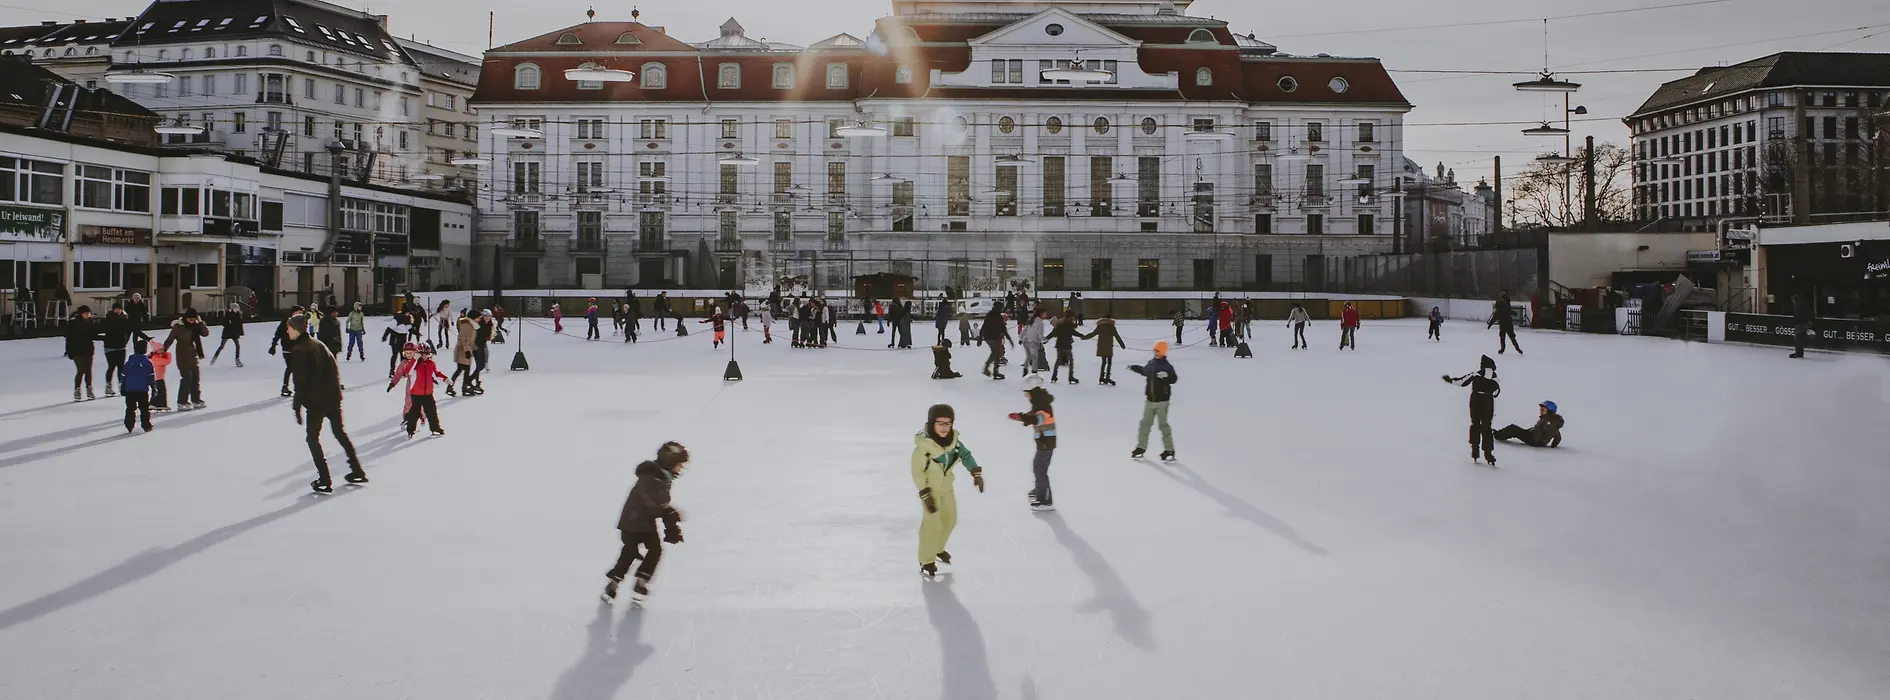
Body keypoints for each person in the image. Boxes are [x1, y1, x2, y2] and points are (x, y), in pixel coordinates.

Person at [285, 314, 364, 493]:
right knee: (340, 433)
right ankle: (357, 469)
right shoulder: (318, 344)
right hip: (332, 397)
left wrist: (297, 406)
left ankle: (325, 478)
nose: (287, 330)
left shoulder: (300, 350)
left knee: (312, 438)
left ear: (297, 329)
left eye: (289, 327)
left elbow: (300, 383)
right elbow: (334, 369)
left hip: (317, 402)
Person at [603, 442, 689, 603]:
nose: (681, 469)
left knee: (649, 550)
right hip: (636, 522)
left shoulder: (659, 477)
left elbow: (659, 506)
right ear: (670, 462)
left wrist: (670, 523)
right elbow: (657, 505)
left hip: (640, 521)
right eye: (679, 465)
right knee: (633, 551)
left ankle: (630, 581)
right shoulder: (654, 479)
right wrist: (671, 522)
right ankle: (618, 583)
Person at [912, 404, 983, 579]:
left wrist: (975, 472)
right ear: (931, 423)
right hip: (930, 491)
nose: (945, 427)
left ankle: (937, 548)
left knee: (950, 519)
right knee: (932, 524)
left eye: (948, 423)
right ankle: (926, 560)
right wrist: (925, 493)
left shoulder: (954, 444)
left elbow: (965, 455)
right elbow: (917, 472)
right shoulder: (924, 448)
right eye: (940, 423)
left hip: (946, 488)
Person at [1009, 375, 1057, 511]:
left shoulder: (1043, 406)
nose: (1026, 396)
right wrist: (1022, 417)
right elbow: (1032, 416)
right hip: (1044, 442)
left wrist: (1022, 417)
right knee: (1038, 467)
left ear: (1033, 392)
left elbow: (1038, 419)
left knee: (1040, 469)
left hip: (1046, 442)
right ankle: (1039, 490)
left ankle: (1045, 500)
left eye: (1026, 393)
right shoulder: (1040, 404)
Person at [1444, 355, 1501, 466]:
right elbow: (1496, 393)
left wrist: (1450, 380)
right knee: (1487, 426)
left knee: (1475, 424)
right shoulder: (1495, 377)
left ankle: (1475, 450)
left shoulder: (1475, 374)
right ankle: (1488, 453)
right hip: (1488, 401)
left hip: (1475, 400)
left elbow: (1462, 382)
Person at [1129, 341, 1178, 462]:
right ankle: (1141, 447)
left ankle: (1169, 449)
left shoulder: (1167, 366)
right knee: (1145, 424)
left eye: (1158, 351)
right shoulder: (1151, 363)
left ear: (1163, 352)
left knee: (1163, 425)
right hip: (1150, 400)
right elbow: (1145, 371)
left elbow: (1174, 379)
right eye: (1155, 351)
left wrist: (1166, 376)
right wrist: (1135, 368)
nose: (1156, 353)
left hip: (1162, 401)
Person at [388, 341, 450, 437]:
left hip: (428, 393)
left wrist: (445, 378)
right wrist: (414, 360)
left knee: (432, 411)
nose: (424, 356)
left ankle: (435, 428)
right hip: (416, 392)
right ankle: (410, 429)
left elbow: (436, 373)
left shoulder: (431, 363)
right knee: (414, 412)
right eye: (422, 354)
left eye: (426, 354)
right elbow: (407, 371)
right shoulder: (415, 364)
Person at [164, 309, 210, 410]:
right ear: (185, 318)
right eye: (190, 319)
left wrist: (200, 322)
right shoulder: (178, 327)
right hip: (182, 354)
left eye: (194, 319)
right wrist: (163, 350)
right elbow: (170, 339)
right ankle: (182, 401)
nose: (191, 321)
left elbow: (205, 333)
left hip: (193, 353)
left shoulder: (196, 325)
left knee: (195, 378)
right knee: (187, 379)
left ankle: (196, 399)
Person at [99, 303, 149, 395]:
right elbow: (99, 329)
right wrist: (103, 338)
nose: (117, 311)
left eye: (119, 309)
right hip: (110, 346)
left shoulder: (125, 319)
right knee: (111, 366)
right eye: (116, 309)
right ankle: (108, 386)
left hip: (121, 345)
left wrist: (147, 338)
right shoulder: (108, 319)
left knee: (121, 366)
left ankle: (122, 385)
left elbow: (135, 329)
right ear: (113, 310)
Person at [65, 305, 102, 401]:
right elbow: (69, 338)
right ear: (81, 314)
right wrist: (69, 351)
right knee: (81, 370)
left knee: (89, 370)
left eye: (89, 313)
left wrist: (104, 338)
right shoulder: (73, 323)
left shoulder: (91, 322)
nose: (88, 315)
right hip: (77, 350)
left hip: (88, 349)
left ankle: (89, 388)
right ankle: (77, 389)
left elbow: (93, 335)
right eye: (86, 313)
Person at [1081, 312, 1127, 385]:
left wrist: (1084, 337)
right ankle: (1107, 378)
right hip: (1108, 346)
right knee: (1109, 362)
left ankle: (1101, 377)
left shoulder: (1100, 326)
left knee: (1104, 362)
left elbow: (1093, 334)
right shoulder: (1111, 327)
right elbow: (1117, 336)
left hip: (1101, 346)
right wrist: (1122, 345)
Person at [1496, 401, 1564, 448]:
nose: (1540, 412)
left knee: (1513, 429)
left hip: (1534, 440)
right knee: (1517, 430)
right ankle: (1499, 434)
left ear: (1549, 411)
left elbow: (1551, 430)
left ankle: (1497, 435)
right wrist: (1554, 444)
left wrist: (1538, 439)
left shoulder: (1548, 421)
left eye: (1543, 410)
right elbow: (1556, 434)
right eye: (1540, 410)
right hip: (1535, 438)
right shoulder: (1552, 421)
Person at [121, 340, 155, 433]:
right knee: (144, 408)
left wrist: (123, 386)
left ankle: (129, 424)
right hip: (142, 390)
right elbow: (150, 376)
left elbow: (124, 375)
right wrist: (153, 387)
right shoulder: (147, 363)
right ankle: (146, 425)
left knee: (130, 407)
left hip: (130, 390)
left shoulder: (129, 363)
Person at [1047, 311, 1081, 384]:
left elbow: (1053, 333)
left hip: (1060, 345)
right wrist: (1083, 336)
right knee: (1071, 361)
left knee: (1058, 360)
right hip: (1067, 346)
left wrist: (1046, 339)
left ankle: (1054, 376)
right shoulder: (1069, 325)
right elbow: (1074, 332)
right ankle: (1070, 376)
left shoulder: (1060, 325)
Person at [981, 303, 1012, 380]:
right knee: (995, 353)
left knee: (996, 353)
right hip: (994, 337)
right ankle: (988, 368)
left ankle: (995, 372)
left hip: (988, 337)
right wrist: (1010, 339)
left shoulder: (989, 315)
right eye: (1001, 308)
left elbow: (984, 326)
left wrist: (980, 337)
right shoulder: (999, 317)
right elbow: (1003, 329)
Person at [452, 311, 477, 396]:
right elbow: (464, 339)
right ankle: (457, 387)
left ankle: (462, 387)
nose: (479, 319)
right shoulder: (467, 325)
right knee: (462, 369)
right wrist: (467, 350)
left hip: (467, 349)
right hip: (463, 350)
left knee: (465, 369)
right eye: (478, 317)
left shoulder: (472, 324)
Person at [1489, 291, 1522, 355]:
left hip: (1502, 326)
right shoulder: (1506, 309)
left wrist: (1490, 325)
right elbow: (1513, 313)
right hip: (1509, 325)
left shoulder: (1498, 311)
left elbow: (1494, 318)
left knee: (1502, 337)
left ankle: (1502, 349)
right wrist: (1515, 313)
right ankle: (1517, 347)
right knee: (1512, 337)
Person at [1020, 308, 1048, 374]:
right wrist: (1044, 340)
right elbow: (1040, 334)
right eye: (1045, 313)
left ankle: (1025, 370)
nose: (1046, 315)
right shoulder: (1040, 323)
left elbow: (1024, 330)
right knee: (1034, 358)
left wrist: (1021, 338)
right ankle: (1034, 373)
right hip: (1033, 342)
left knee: (1029, 357)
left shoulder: (1031, 320)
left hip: (1026, 341)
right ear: (1041, 314)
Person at [148, 339, 172, 412]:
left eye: (162, 349)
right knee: (161, 391)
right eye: (160, 349)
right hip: (157, 378)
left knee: (160, 391)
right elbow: (167, 361)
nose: (162, 351)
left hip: (158, 377)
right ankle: (158, 404)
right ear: (155, 351)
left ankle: (158, 403)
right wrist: (168, 354)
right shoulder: (155, 358)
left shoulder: (156, 357)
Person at [1789, 291, 1811, 359]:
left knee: (1798, 338)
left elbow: (1798, 315)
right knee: (1800, 338)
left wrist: (1796, 321)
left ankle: (1798, 353)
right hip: (1803, 323)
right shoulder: (1802, 305)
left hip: (1800, 323)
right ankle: (1800, 353)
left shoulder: (1797, 306)